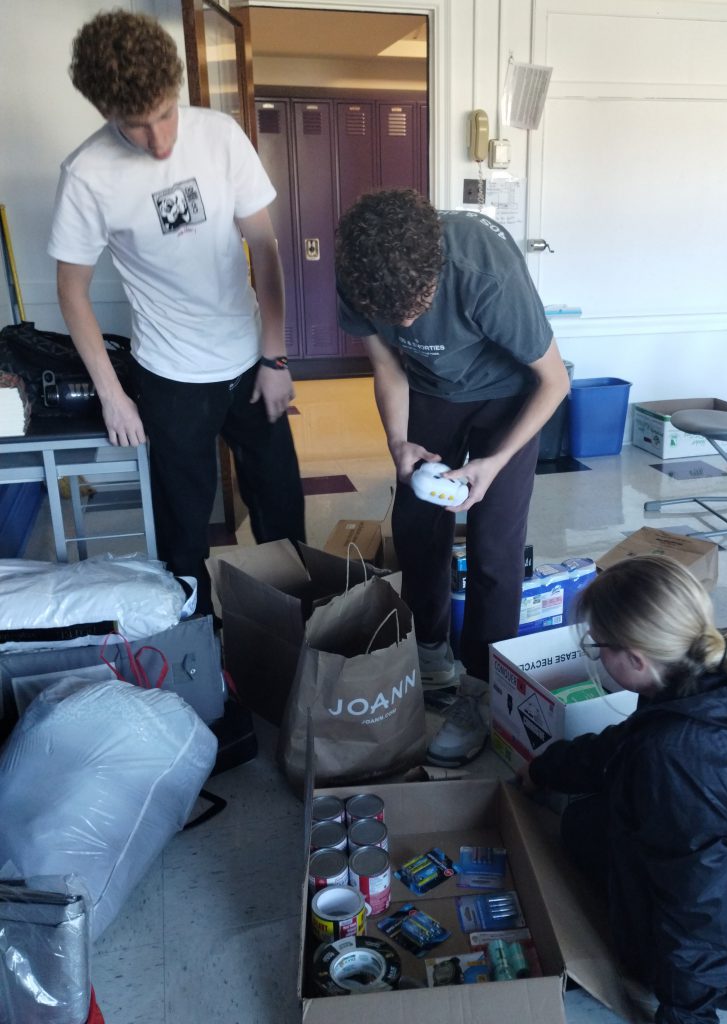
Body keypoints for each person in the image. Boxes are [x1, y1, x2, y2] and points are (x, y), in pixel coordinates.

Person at [519, 554, 727, 1024]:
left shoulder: (677, 756)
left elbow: (694, 904)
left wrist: (687, 1015)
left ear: (635, 658)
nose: (596, 654)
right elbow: (635, 737)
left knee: (584, 826)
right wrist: (547, 770)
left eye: (599, 647)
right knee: (616, 807)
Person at [48, 10, 305, 614]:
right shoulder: (86, 174)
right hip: (168, 377)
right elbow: (71, 289)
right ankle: (194, 645)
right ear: (104, 110)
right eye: (136, 127)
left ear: (177, 90)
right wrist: (114, 395)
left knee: (283, 512)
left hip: (249, 361)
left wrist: (275, 355)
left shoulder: (219, 135)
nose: (160, 142)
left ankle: (298, 630)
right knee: (183, 535)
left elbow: (264, 249)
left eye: (165, 114)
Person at [335, 189, 569, 767]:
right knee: (415, 524)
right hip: (433, 393)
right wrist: (398, 443)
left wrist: (496, 462)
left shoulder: (481, 269)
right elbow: (388, 365)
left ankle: (481, 689)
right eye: (397, 317)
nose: (409, 323)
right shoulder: (359, 278)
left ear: (436, 268)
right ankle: (431, 658)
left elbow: (555, 382)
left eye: (418, 306)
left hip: (510, 394)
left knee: (495, 545)